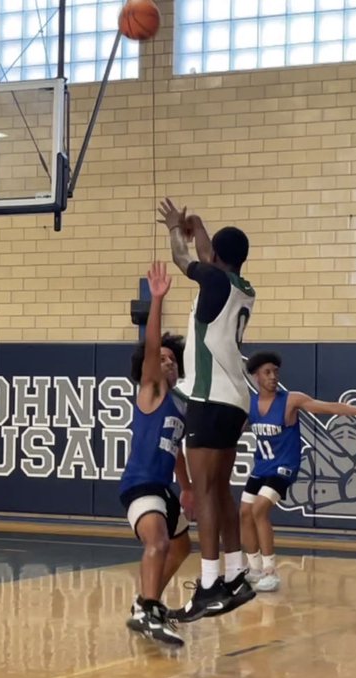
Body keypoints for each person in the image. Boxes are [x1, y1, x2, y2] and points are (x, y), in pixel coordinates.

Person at [156, 199, 257, 623]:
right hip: (235, 401)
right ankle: (236, 574)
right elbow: (205, 257)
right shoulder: (241, 286)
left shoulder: (213, 281)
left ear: (216, 255)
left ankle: (211, 583)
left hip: (209, 397)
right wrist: (200, 227)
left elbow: (184, 260)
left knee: (206, 491)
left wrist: (175, 229)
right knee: (222, 490)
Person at [241, 351, 356, 592]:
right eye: (267, 372)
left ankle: (271, 571)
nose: (273, 377)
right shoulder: (248, 403)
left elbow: (329, 407)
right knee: (244, 513)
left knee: (259, 509)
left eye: (276, 372)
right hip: (261, 466)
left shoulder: (291, 399)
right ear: (255, 378)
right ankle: (253, 569)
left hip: (285, 467)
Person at [121, 261, 192, 646]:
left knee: (181, 546)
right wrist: (158, 301)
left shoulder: (179, 404)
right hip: (141, 484)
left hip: (165, 488)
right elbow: (151, 349)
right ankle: (148, 611)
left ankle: (145, 603)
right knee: (159, 543)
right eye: (161, 358)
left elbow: (176, 448)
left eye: (171, 359)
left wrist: (189, 488)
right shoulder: (149, 391)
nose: (166, 361)